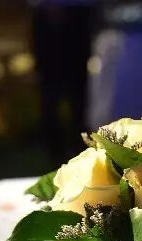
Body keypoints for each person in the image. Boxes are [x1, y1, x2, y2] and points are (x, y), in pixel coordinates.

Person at [29, 0, 100, 165]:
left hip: (75, 48)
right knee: (50, 106)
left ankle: (81, 150)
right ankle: (55, 153)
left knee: (79, 105)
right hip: (49, 53)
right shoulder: (41, 15)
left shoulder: (80, 14)